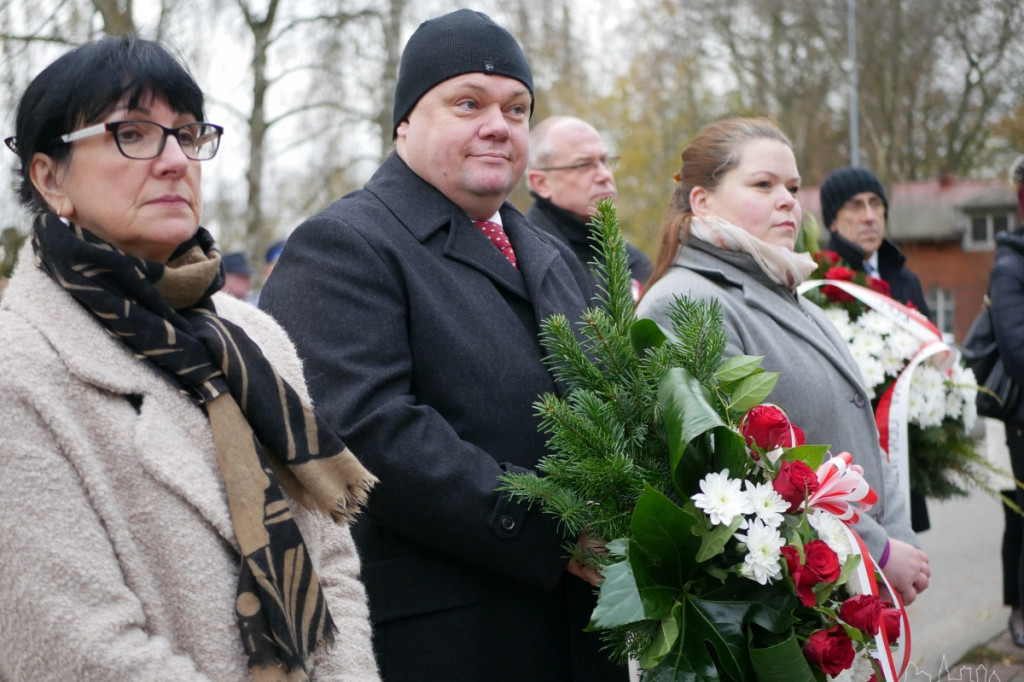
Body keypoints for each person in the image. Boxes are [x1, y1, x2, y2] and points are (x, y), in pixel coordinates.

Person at [259, 9, 627, 682]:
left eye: (517, 110)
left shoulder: (547, 252)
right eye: (468, 103)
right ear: (405, 122)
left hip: (580, 631)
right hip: (451, 641)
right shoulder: (345, 244)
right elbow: (369, 433)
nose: (498, 124)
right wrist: (556, 528)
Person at [0, 36, 379, 681]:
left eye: (186, 134)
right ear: (50, 177)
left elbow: (331, 567)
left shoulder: (253, 338)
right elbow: (72, 647)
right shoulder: (20, 367)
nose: (176, 160)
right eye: (133, 133)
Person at [636, 117, 930, 606]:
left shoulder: (798, 297)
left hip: (856, 581)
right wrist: (876, 550)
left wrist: (897, 538)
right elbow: (745, 470)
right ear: (702, 201)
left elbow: (859, 429)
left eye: (792, 187)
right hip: (785, 598)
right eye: (763, 184)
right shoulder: (684, 302)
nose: (787, 200)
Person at [820, 166, 933, 533]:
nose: (869, 216)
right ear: (833, 221)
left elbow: (930, 352)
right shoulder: (821, 279)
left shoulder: (904, 278)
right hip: (848, 452)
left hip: (903, 445)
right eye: (855, 206)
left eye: (876, 204)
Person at [525, 116, 651, 301]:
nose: (605, 175)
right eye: (583, 165)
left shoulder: (634, 263)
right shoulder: (523, 260)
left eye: (605, 160)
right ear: (541, 183)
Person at [991, 154, 1024, 646]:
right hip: (1020, 421)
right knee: (1020, 515)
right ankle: (1018, 610)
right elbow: (1018, 352)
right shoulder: (1011, 266)